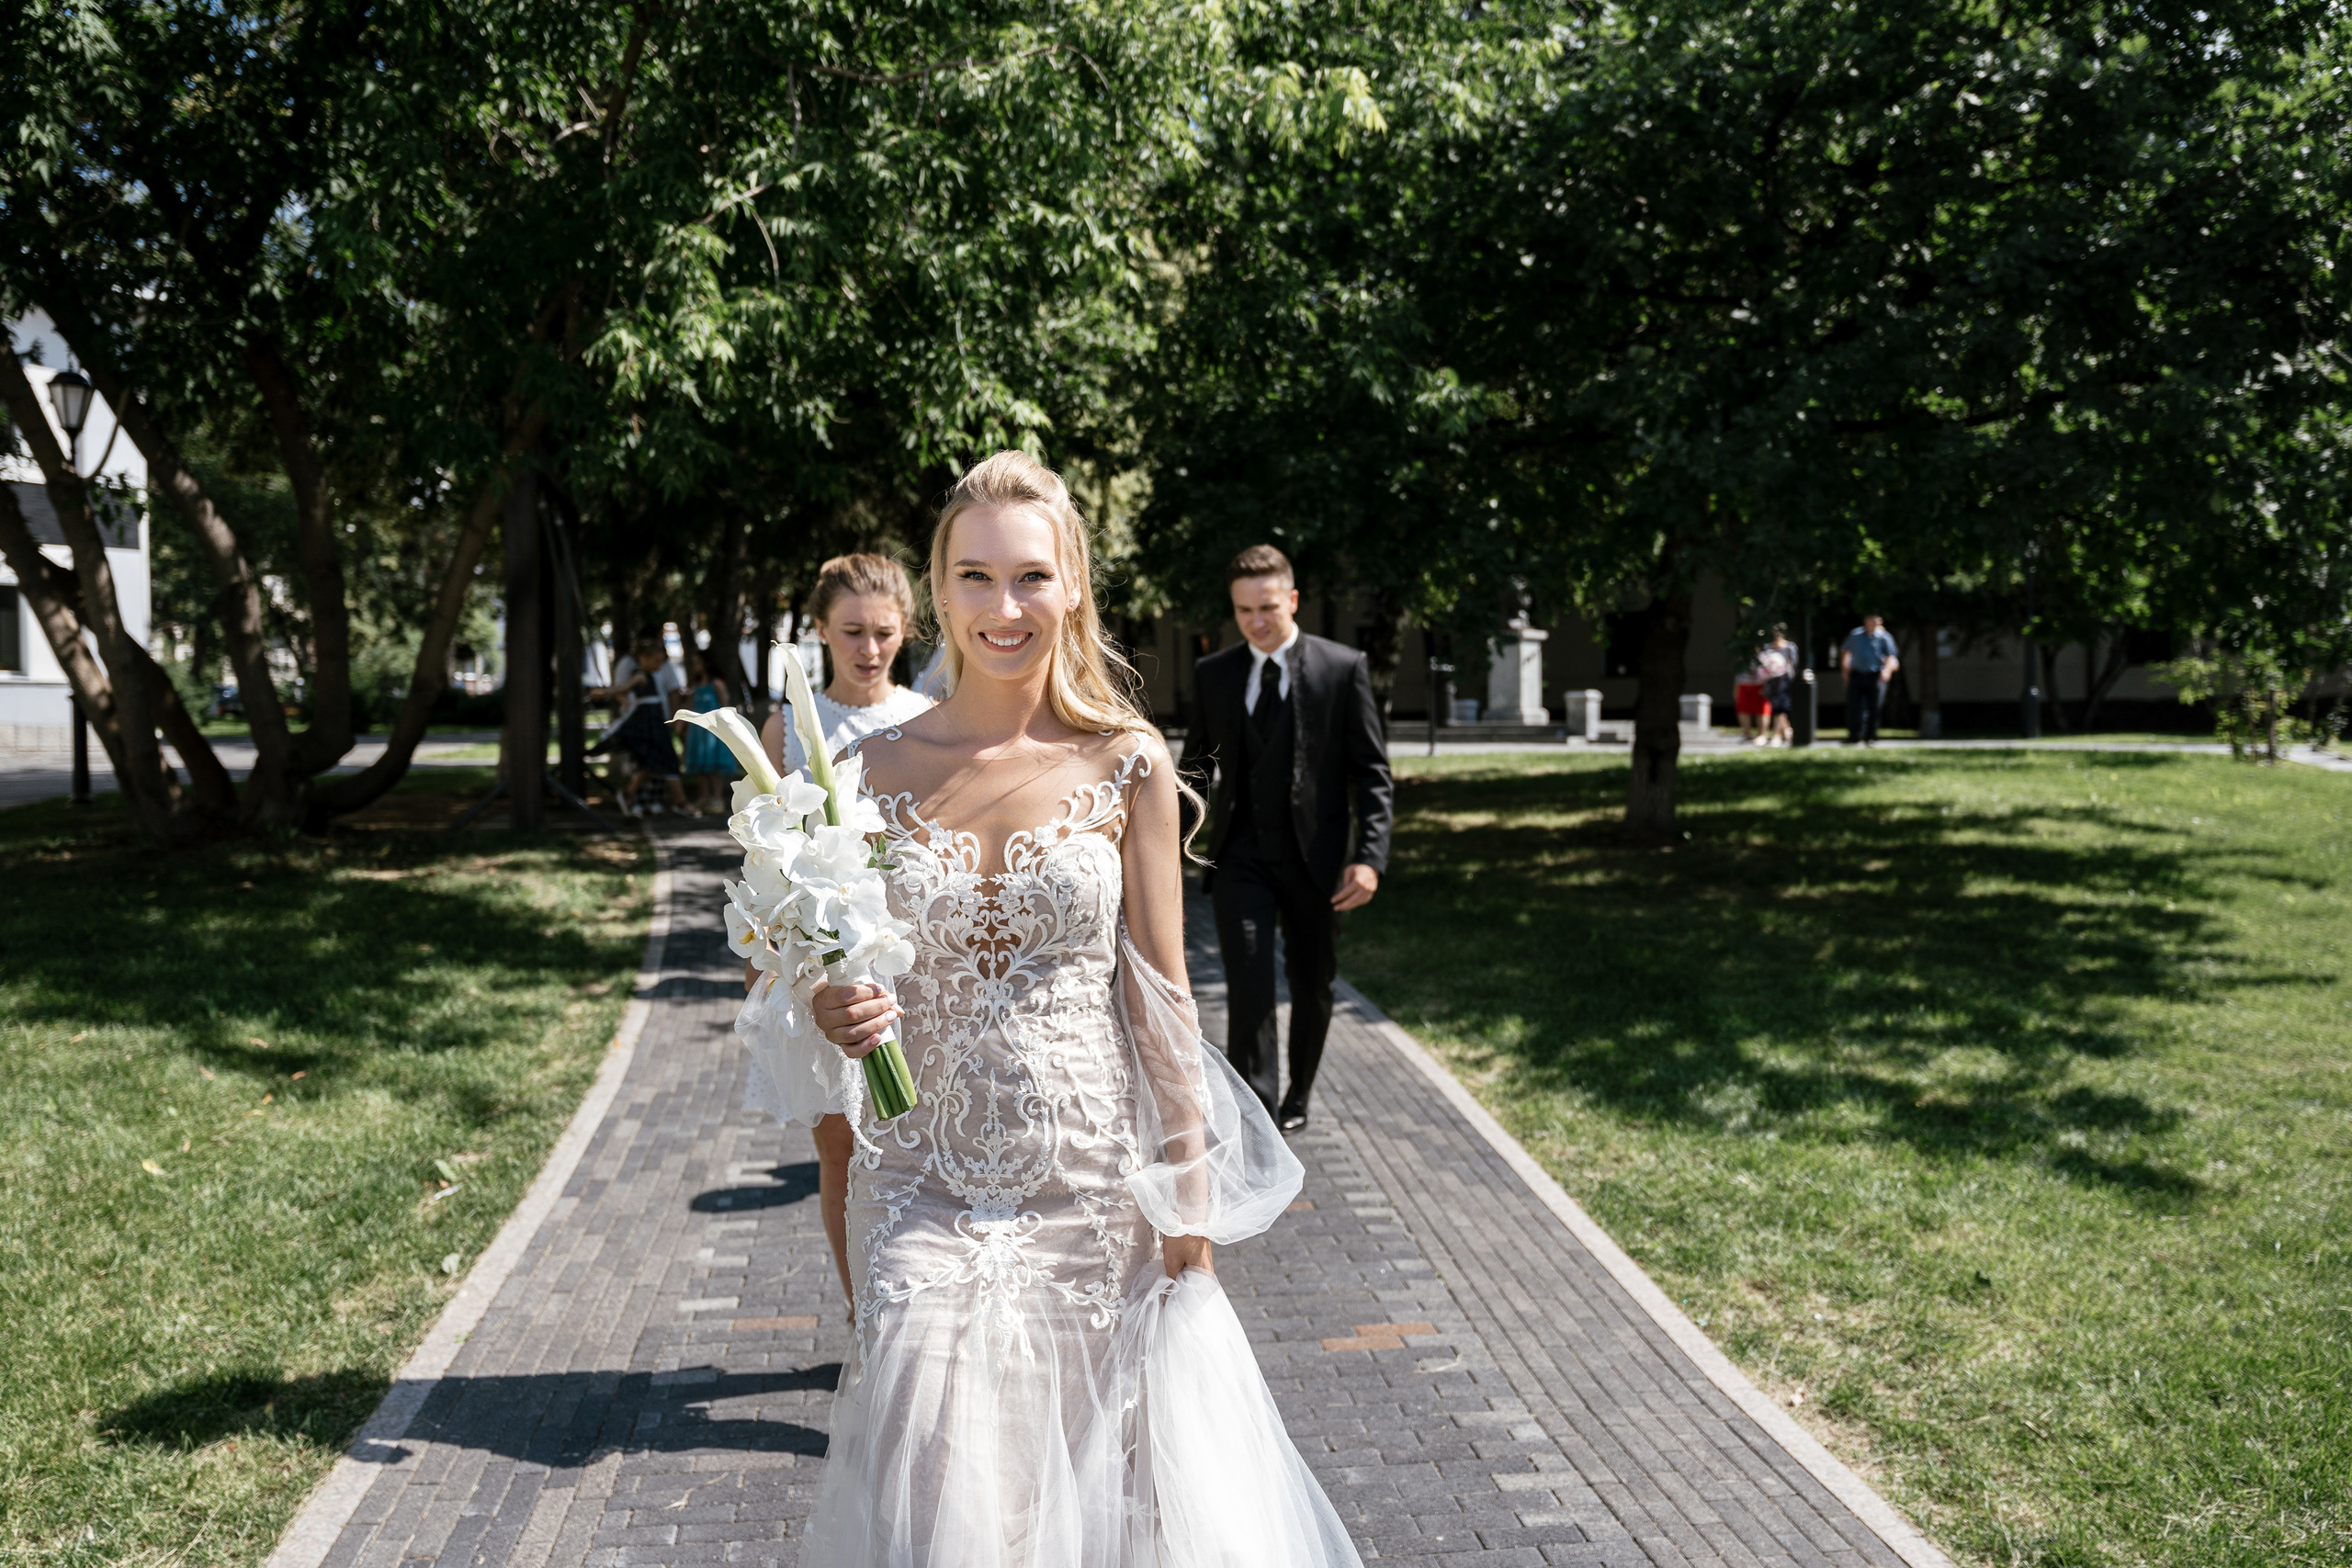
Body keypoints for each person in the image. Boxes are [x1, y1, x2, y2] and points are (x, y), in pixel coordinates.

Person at [795, 451, 1359, 1566]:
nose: (1004, 608)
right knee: (932, 1473)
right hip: (918, 1178)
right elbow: (842, 956)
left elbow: (1159, 990)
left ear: (1073, 587)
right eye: (973, 576)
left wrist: (1184, 1199)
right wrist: (831, 1003)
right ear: (939, 590)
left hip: (1090, 1188)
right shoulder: (870, 772)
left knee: (1081, 1497)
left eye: (1031, 578)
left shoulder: (1128, 762)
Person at [753, 552, 933, 1314]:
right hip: (822, 968)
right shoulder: (789, 730)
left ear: (907, 632)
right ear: (821, 630)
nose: (869, 649)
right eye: (852, 631)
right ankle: (864, 1315)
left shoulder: (929, 722)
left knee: (916, 1144)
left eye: (885, 633)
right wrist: (775, 962)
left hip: (910, 955)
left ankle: (917, 1300)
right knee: (844, 1151)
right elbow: (762, 856)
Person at [1176, 545, 1393, 1134]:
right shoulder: (1214, 674)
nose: (1257, 621)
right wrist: (1168, 850)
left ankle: (1300, 1091)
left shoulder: (1341, 668)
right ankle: (1261, 1111)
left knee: (1311, 981)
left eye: (1268, 607)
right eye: (1244, 611)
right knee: (1248, 986)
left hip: (1314, 861)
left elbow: (1371, 772)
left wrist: (1369, 859)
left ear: (1292, 600)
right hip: (1240, 857)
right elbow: (1193, 772)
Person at [588, 627, 695, 816]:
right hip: (648, 724)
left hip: (654, 721)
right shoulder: (640, 675)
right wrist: (603, 693)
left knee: (651, 761)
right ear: (644, 658)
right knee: (667, 757)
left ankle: (629, 794)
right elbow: (621, 688)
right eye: (656, 661)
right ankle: (680, 801)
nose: (659, 666)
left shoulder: (648, 674)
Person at [679, 649, 738, 809]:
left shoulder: (717, 684)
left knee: (715, 767)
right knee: (700, 766)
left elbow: (725, 705)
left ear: (707, 663)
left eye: (698, 662)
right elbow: (689, 707)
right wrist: (680, 726)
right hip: (697, 732)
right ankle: (704, 798)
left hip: (714, 731)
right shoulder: (695, 687)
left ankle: (717, 799)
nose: (695, 666)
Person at [1841, 614, 1900, 745]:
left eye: (1876, 619)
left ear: (1879, 621)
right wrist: (1845, 672)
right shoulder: (1855, 635)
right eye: (1870, 619)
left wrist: (1887, 671)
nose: (1873, 622)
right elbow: (1845, 651)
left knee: (1874, 707)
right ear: (1865, 620)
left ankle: (1870, 736)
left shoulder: (1885, 637)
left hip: (1875, 675)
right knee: (1854, 705)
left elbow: (1892, 656)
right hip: (1856, 674)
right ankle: (1854, 736)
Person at [1757, 628, 1797, 747]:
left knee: (1781, 706)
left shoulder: (1790, 647)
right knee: (1775, 706)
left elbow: (1794, 664)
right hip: (1771, 680)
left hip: (1784, 680)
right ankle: (1787, 730)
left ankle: (1776, 735)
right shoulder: (1767, 647)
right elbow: (1763, 662)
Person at [1733, 654, 1767, 743]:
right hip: (1744, 683)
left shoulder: (1766, 650)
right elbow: (1739, 672)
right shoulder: (1744, 652)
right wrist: (1736, 688)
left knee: (1763, 709)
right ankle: (1746, 734)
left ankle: (1761, 735)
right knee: (1743, 709)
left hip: (1762, 683)